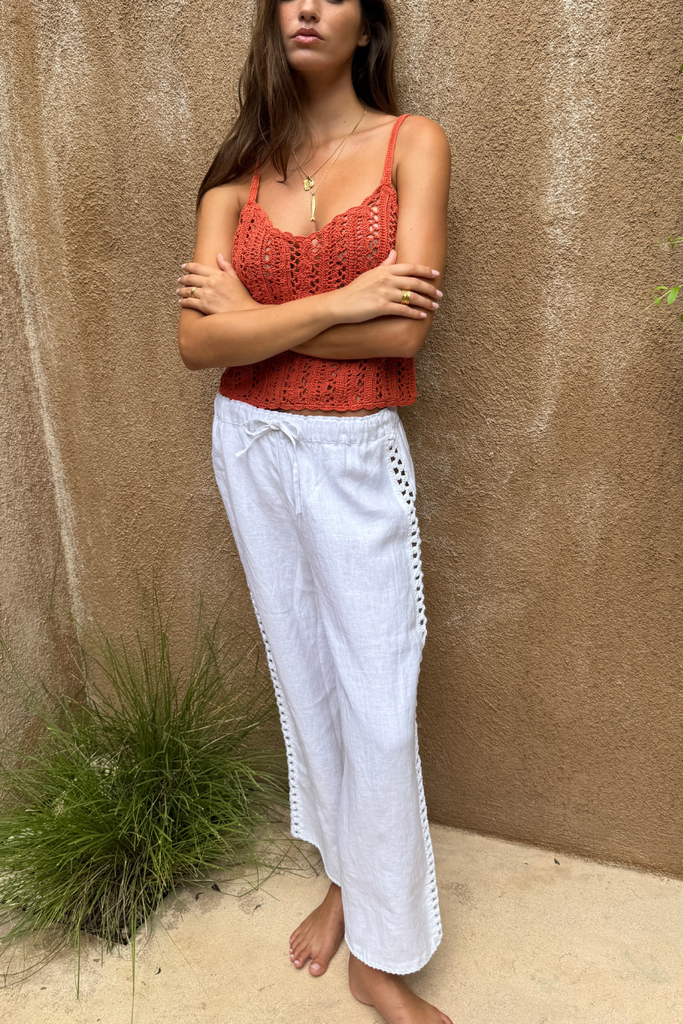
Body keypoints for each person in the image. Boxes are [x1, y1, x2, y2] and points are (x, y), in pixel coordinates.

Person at [176, 2, 451, 1021]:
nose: (305, 5)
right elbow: (198, 345)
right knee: (305, 675)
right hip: (249, 445)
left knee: (376, 694)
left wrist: (252, 320)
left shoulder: (411, 144)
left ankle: (383, 954)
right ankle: (345, 877)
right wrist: (340, 303)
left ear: (366, 25)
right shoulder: (234, 176)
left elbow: (402, 334)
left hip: (350, 449)